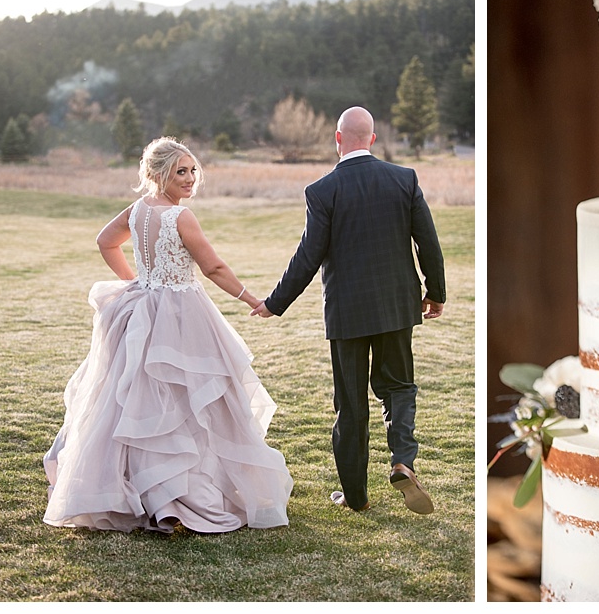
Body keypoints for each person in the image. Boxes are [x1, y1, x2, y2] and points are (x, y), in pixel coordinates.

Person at [44, 137, 293, 533]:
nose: (191, 179)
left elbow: (105, 241)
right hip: (180, 313)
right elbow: (213, 268)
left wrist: (138, 282)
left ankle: (154, 497)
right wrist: (251, 298)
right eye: (181, 172)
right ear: (158, 174)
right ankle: (178, 499)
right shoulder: (181, 218)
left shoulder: (138, 210)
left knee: (139, 403)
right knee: (185, 401)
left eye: (193, 171)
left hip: (142, 309)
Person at [252, 106, 445, 515]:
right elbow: (427, 241)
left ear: (337, 139)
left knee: (351, 404)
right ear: (371, 139)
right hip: (396, 305)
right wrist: (435, 292)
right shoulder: (403, 178)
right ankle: (402, 461)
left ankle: (356, 496)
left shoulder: (322, 190)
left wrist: (275, 302)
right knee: (398, 387)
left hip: (347, 313)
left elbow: (308, 255)